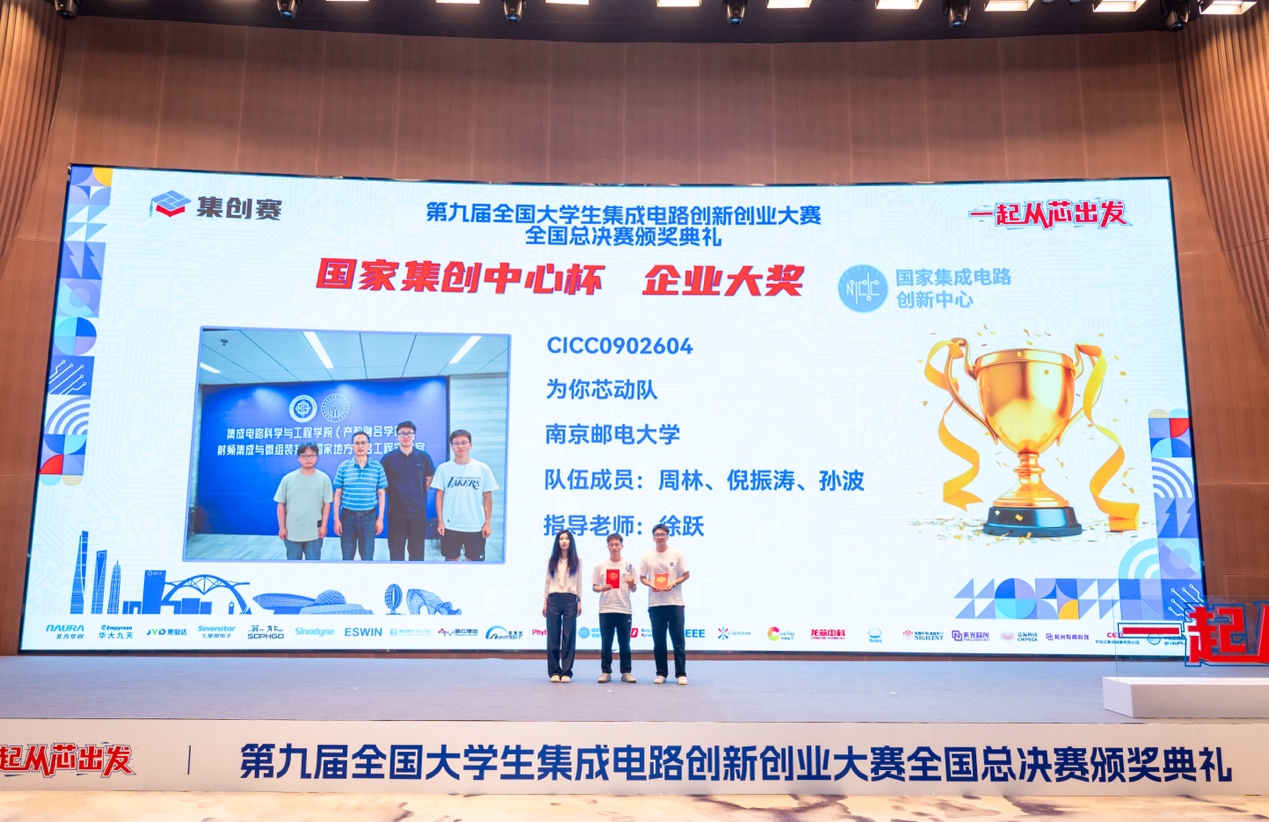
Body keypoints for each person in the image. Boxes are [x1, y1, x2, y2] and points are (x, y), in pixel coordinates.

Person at [432, 429, 499, 562]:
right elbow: (439, 496)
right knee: (451, 560)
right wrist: (440, 521)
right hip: (450, 525)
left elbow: (487, 498)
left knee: (474, 562)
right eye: (456, 443)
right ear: (451, 446)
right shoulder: (443, 469)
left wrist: (487, 523)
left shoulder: (482, 468)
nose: (460, 446)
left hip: (476, 525)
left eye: (464, 442)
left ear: (470, 445)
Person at [639, 523, 691, 685]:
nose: (660, 537)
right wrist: (650, 584)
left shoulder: (676, 554)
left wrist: (674, 583)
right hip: (655, 604)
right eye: (657, 535)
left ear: (667, 536)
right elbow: (642, 577)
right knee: (659, 641)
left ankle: (681, 674)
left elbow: (686, 574)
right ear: (653, 538)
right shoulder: (647, 557)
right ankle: (661, 673)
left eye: (662, 534)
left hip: (675, 603)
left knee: (678, 640)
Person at [380, 420, 435, 562]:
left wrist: (417, 491)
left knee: (417, 552)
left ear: (414, 436)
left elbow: (429, 478)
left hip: (418, 513)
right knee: (396, 551)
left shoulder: (423, 457)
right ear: (397, 436)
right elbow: (382, 483)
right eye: (402, 433)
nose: (406, 436)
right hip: (396, 513)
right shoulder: (388, 458)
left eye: (409, 433)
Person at [332, 431, 387, 561]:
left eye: (363, 443)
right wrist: (336, 519)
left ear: (369, 445)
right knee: (347, 557)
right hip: (347, 518)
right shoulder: (344, 467)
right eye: (357, 443)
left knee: (367, 557)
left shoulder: (377, 467)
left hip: (369, 518)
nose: (360, 446)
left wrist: (380, 519)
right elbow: (338, 494)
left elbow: (381, 493)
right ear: (352, 446)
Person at [273, 442, 332, 561]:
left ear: (317, 457)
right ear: (298, 458)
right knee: (294, 566)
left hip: (314, 532)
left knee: (313, 565)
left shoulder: (324, 478)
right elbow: (280, 504)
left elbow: (327, 504)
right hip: (292, 531)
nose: (308, 459)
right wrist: (282, 527)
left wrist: (324, 526)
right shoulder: (288, 478)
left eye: (312, 455)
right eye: (304, 456)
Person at [592, 532, 637, 683]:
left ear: (622, 546)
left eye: (617, 544)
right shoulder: (601, 566)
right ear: (608, 547)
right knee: (606, 643)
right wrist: (601, 588)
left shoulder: (629, 565)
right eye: (611, 545)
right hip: (606, 609)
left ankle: (626, 672)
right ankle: (606, 672)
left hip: (624, 609)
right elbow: (594, 587)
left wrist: (632, 584)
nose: (614, 547)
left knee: (625, 643)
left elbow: (634, 589)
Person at [542, 529, 582, 683]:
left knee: (568, 636)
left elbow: (579, 581)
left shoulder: (577, 560)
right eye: (561, 539)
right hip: (553, 598)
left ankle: (566, 672)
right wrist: (545, 601)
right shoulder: (551, 560)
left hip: (570, 599)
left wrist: (579, 600)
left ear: (571, 541)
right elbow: (547, 581)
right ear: (557, 542)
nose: (564, 541)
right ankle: (554, 671)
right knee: (553, 636)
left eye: (567, 538)